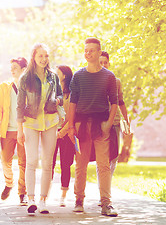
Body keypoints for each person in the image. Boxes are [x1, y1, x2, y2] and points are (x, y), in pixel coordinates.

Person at [68, 38, 118, 217]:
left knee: (103, 165)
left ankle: (106, 204)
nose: (87, 53)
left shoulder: (109, 76)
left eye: (91, 50)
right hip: (81, 125)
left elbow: (114, 102)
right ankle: (78, 200)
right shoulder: (78, 76)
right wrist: (71, 126)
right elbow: (72, 103)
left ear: (99, 52)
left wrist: (108, 123)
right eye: (85, 50)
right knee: (80, 165)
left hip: (101, 124)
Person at [16, 43, 63, 215]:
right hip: (31, 122)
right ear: (33, 58)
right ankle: (31, 199)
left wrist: (58, 100)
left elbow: (60, 95)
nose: (44, 59)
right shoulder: (26, 77)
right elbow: (20, 105)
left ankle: (43, 200)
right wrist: (20, 129)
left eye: (46, 56)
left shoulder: (53, 76)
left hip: (50, 121)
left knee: (48, 162)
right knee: (32, 160)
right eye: (40, 56)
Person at [0, 57, 28, 206]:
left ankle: (22, 192)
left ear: (23, 69)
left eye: (15, 67)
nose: (12, 69)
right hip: (7, 131)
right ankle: (9, 183)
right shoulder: (4, 87)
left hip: (24, 131)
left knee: (23, 163)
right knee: (5, 160)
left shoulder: (29, 87)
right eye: (11, 67)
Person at [96, 50, 130, 206]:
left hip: (115, 123)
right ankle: (104, 193)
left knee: (113, 158)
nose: (103, 65)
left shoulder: (116, 81)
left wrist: (126, 121)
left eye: (105, 62)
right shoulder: (93, 80)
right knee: (102, 160)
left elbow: (121, 101)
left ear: (109, 63)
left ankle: (105, 189)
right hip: (100, 123)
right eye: (100, 62)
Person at [51, 65, 75, 207]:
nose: (54, 73)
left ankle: (63, 195)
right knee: (50, 163)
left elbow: (73, 115)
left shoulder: (72, 94)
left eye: (57, 72)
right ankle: (45, 193)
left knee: (66, 164)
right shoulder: (53, 91)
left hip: (66, 133)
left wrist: (62, 132)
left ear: (64, 76)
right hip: (52, 132)